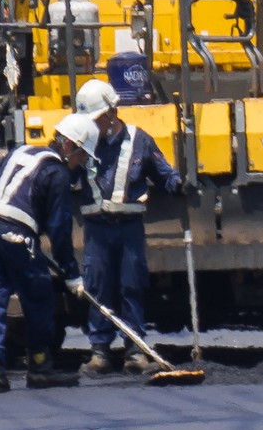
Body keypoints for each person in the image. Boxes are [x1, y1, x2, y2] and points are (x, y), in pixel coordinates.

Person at [0, 114, 98, 393]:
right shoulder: (57, 173)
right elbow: (59, 229)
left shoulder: (21, 151)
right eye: (82, 157)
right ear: (68, 145)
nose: (82, 164)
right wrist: (72, 274)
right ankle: (40, 366)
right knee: (38, 296)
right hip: (16, 233)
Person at [73, 79, 185, 375]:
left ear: (112, 113)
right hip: (96, 229)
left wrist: (178, 184)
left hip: (129, 228)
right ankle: (100, 352)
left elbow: (163, 173)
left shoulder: (139, 140)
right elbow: (61, 171)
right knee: (97, 287)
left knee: (131, 285)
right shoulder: (80, 142)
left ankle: (135, 350)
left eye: (96, 118)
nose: (92, 125)